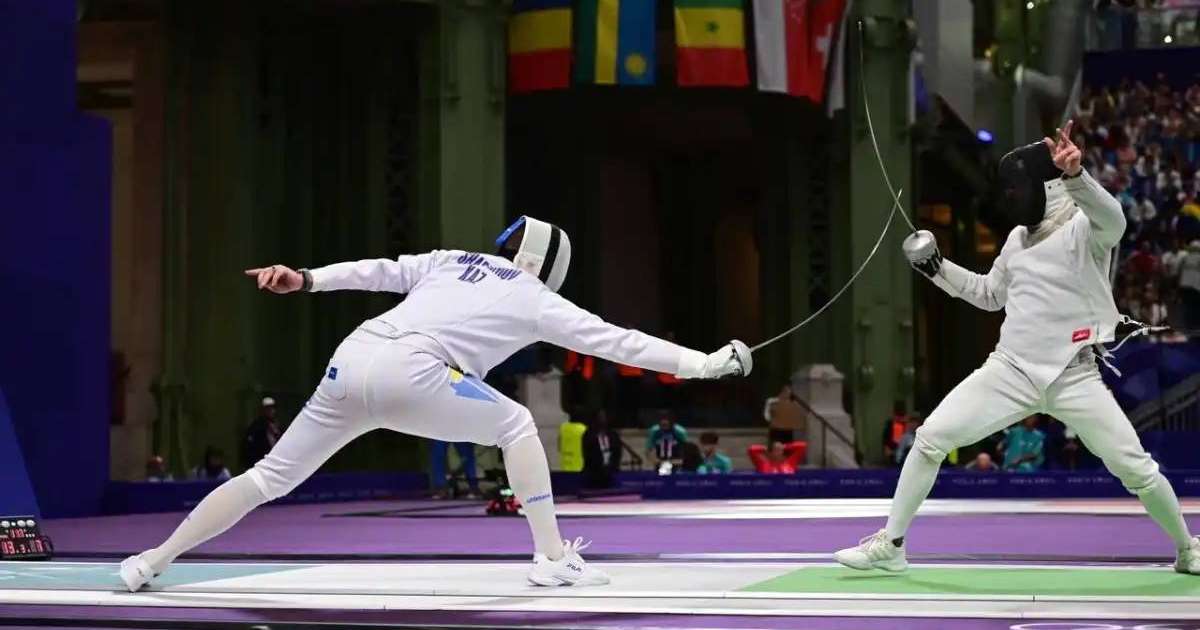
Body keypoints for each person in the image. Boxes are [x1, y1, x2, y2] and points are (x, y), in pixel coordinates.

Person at [119, 215, 751, 591]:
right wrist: (705, 363)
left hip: (353, 356)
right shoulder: (537, 298)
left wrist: (307, 278)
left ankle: (151, 561)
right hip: (415, 371)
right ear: (546, 265)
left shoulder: (452, 261)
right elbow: (618, 340)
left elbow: (380, 270)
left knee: (267, 478)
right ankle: (552, 558)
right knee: (517, 423)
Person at [837, 124, 1200, 575]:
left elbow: (1116, 221)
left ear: (1045, 186)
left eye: (1018, 188)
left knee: (1137, 469)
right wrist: (937, 268)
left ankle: (1187, 548)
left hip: (1073, 375)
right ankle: (891, 546)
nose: (1012, 197)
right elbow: (990, 294)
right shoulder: (1017, 240)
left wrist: (1077, 175)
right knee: (930, 440)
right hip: (1011, 369)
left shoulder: (1085, 228)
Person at [581, 409, 622, 489]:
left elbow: (617, 452)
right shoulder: (589, 435)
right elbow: (587, 454)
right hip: (593, 475)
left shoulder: (613, 435)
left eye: (604, 417)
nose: (602, 419)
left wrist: (611, 467)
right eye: (600, 417)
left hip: (611, 473)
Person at [242, 397, 282, 470]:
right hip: (262, 463)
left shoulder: (278, 425)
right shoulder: (256, 427)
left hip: (276, 462)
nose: (271, 411)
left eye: (272, 408)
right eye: (268, 409)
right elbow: (250, 448)